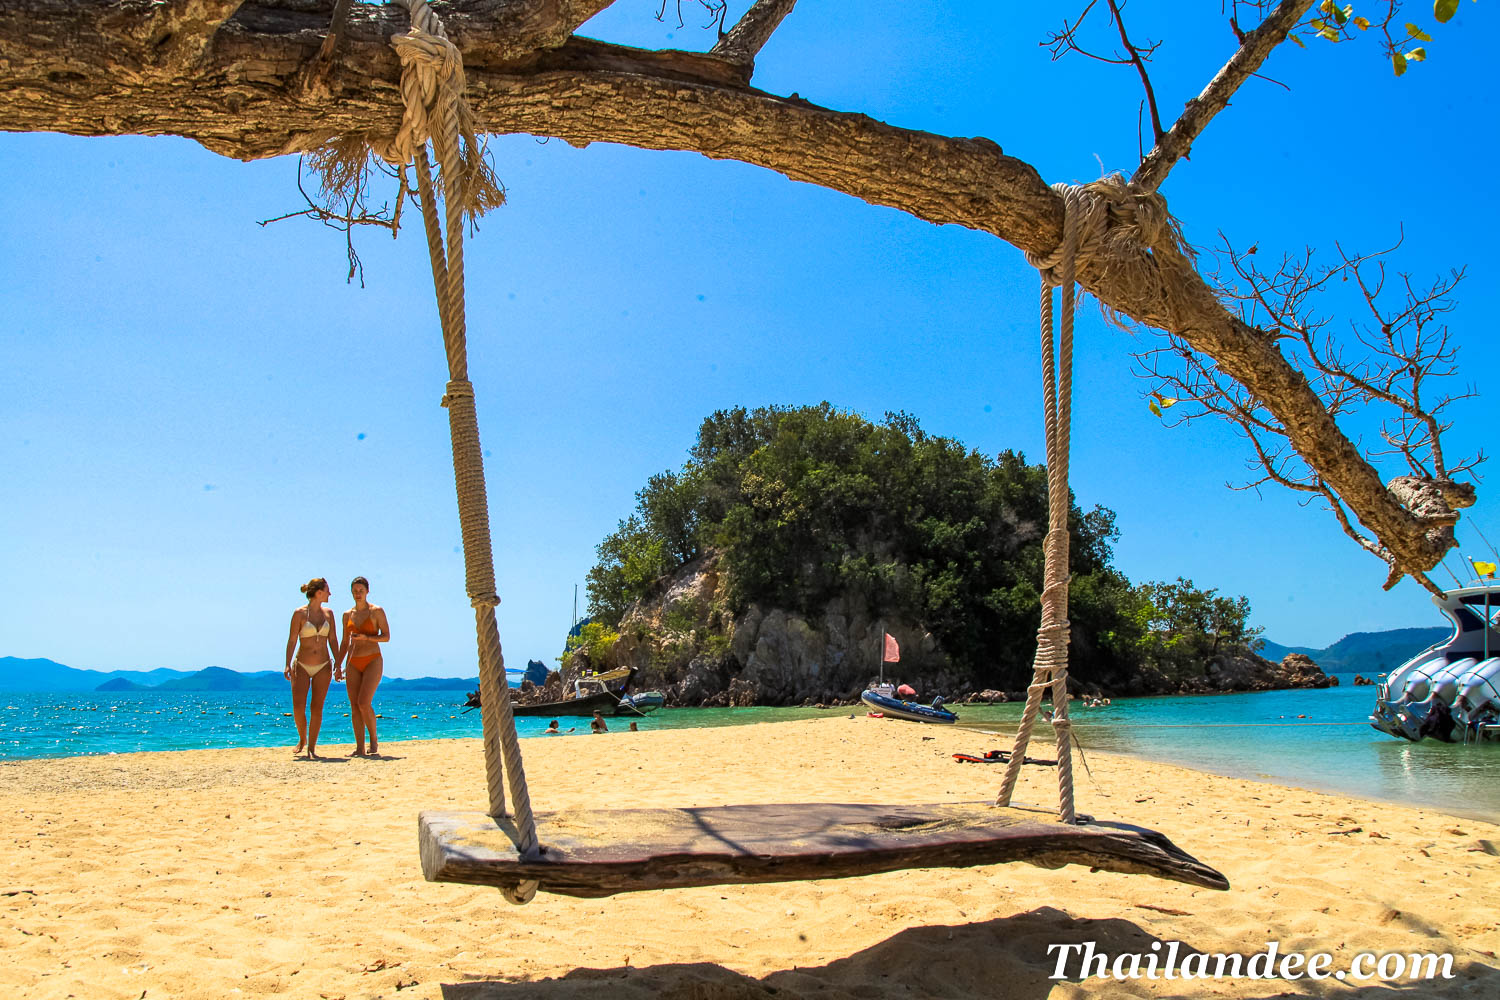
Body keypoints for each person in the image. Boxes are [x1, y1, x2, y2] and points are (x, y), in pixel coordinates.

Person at [284, 577, 342, 759]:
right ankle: (302, 739)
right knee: (299, 707)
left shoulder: (329, 614)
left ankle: (312, 747)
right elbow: (292, 640)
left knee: (317, 707)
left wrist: (339, 664)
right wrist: (287, 663)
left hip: (324, 665)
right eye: (327, 590)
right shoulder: (299, 614)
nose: (330, 593)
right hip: (301, 664)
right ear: (319, 593)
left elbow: (333, 639)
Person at [339, 576, 390, 756]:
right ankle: (360, 747)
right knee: (354, 706)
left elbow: (386, 636)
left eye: (361, 591)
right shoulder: (347, 615)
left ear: (367, 591)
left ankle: (374, 740)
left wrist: (367, 637)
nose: (358, 594)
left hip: (372, 660)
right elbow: (344, 642)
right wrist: (338, 664)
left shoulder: (376, 611)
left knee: (363, 702)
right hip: (352, 662)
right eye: (355, 591)